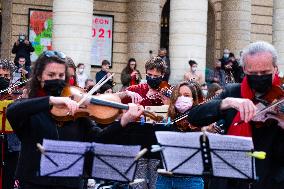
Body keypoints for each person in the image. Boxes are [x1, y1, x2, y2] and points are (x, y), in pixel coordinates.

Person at [6, 51, 144, 189]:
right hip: (33, 183)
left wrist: (123, 121)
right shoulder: (31, 108)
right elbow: (12, 111)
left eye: (61, 75)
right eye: (51, 75)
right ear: (38, 76)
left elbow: (97, 138)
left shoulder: (76, 108)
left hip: (70, 183)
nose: (57, 79)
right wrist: (51, 100)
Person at [186, 41, 284, 189]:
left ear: (275, 69)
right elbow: (194, 116)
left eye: (264, 73)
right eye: (252, 73)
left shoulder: (281, 98)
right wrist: (227, 102)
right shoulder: (232, 92)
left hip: (269, 180)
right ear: (244, 69)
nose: (259, 76)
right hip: (229, 181)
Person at [0, 58, 21, 189]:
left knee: (9, 174)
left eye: (6, 76)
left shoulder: (15, 93)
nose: (3, 79)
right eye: (0, 76)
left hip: (12, 143)